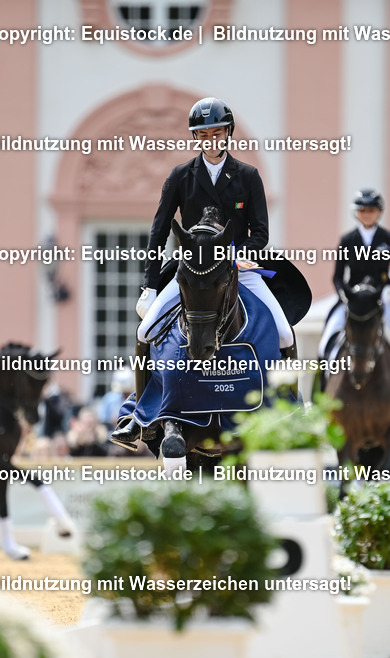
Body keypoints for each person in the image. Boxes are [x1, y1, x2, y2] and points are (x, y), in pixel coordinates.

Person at [111, 97, 295, 447]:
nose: (211, 139)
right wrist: (149, 287)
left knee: (285, 333)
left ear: (228, 133)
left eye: (217, 132)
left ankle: (290, 409)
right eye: (203, 134)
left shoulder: (247, 176)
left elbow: (261, 232)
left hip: (239, 267)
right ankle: (139, 415)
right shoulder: (181, 176)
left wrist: (239, 255)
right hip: (192, 271)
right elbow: (159, 230)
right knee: (146, 330)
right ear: (197, 137)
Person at [317, 189, 390, 426]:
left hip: (383, 300)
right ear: (356, 213)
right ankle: (318, 406)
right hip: (353, 302)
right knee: (325, 343)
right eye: (362, 210)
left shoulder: (388, 239)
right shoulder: (347, 240)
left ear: (379, 212)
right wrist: (343, 294)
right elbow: (339, 277)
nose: (367, 214)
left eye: (371, 210)